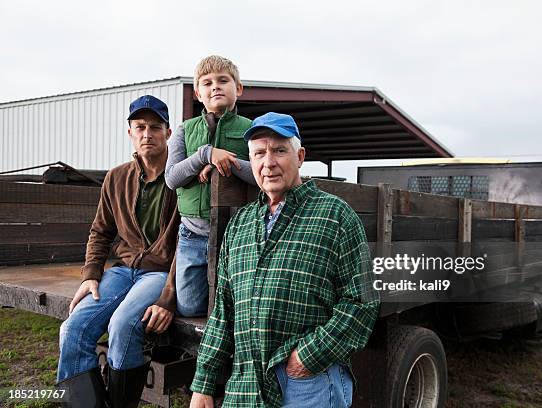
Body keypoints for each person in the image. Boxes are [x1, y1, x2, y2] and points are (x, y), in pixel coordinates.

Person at [189, 112, 380, 407]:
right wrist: (203, 382)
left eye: (279, 150)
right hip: (246, 387)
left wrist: (308, 355)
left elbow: (362, 301)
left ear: (300, 156)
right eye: (259, 153)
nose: (268, 163)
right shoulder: (240, 224)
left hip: (308, 381)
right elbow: (224, 310)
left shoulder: (335, 215)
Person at [57, 95, 181, 408]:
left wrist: (169, 293)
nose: (147, 133)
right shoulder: (116, 177)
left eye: (155, 127)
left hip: (160, 273)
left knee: (123, 324)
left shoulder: (182, 176)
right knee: (72, 329)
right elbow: (101, 231)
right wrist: (91, 274)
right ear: (130, 132)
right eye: (140, 127)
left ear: (168, 132)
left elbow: (191, 239)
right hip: (123, 271)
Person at [165, 55, 255, 317]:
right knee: (190, 307)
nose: (215, 86)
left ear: (238, 88)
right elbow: (172, 178)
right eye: (207, 83)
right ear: (197, 93)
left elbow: (261, 175)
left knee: (235, 306)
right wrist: (205, 154)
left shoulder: (252, 129)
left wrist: (224, 162)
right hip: (192, 234)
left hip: (237, 235)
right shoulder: (184, 130)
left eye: (223, 80)